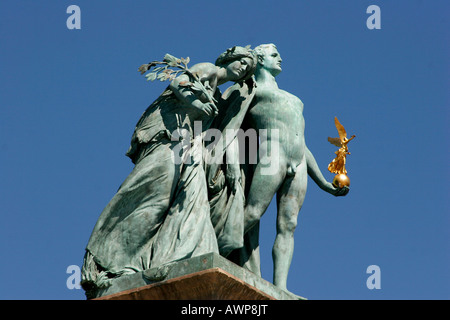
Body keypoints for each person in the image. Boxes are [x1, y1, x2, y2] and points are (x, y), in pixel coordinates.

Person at [80, 46, 257, 298]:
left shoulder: (216, 91)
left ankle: (147, 260)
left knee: (168, 202)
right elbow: (177, 83)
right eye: (241, 62)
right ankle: (110, 261)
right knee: (149, 195)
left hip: (182, 146)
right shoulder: (208, 69)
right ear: (229, 59)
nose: (243, 68)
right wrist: (196, 102)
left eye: (248, 68)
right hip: (166, 138)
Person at [234, 44, 349, 292]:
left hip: (297, 161)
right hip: (270, 154)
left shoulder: (294, 100)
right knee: (253, 213)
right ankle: (213, 249)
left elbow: (301, 143)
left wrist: (325, 185)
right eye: (275, 55)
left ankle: (281, 288)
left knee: (289, 225)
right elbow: (228, 122)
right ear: (260, 59)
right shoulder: (249, 90)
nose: (281, 58)